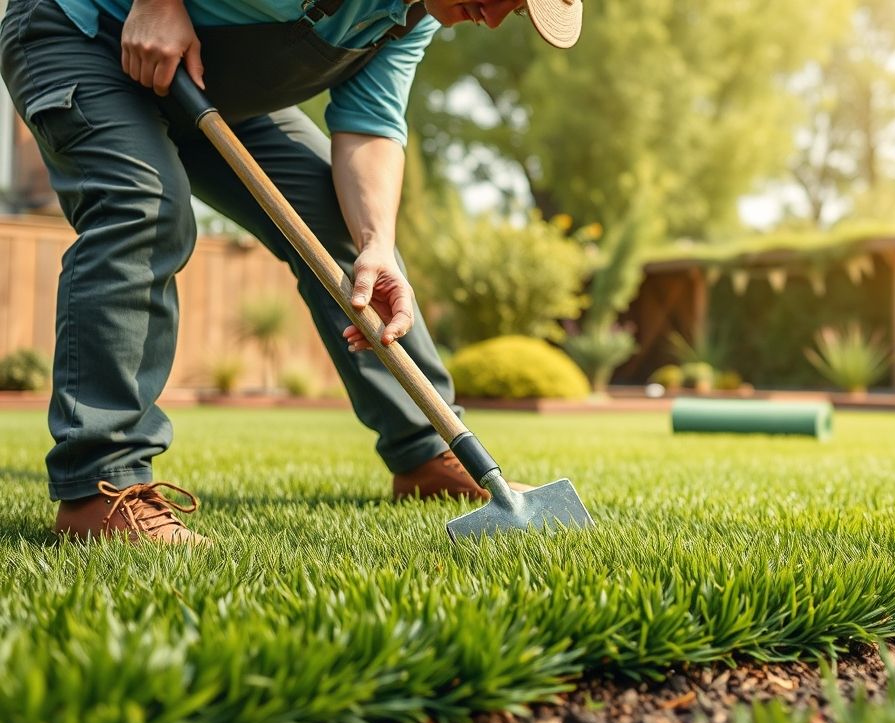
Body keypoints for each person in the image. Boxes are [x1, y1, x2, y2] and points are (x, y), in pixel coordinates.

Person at [0, 0, 584, 544]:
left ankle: (427, 452)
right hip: (84, 33)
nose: (496, 18)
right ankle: (101, 488)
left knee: (348, 238)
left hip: (209, 84)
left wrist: (377, 242)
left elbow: (370, 125)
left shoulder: (411, 18)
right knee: (144, 207)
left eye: (519, 10)